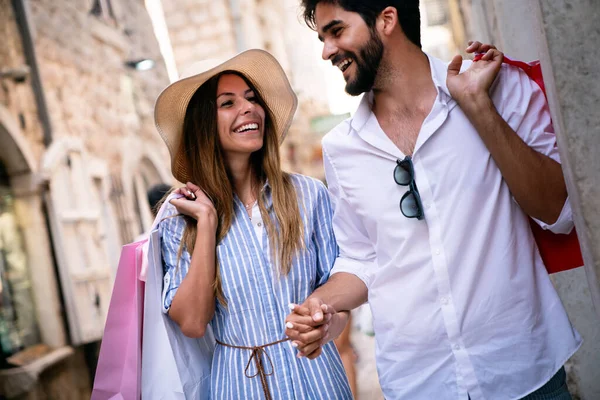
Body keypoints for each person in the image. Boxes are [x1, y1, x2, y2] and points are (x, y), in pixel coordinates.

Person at [285, 1, 581, 399]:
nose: (326, 50)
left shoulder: (499, 86)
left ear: (386, 20)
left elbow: (559, 213)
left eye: (336, 31)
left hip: (523, 373)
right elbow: (361, 258)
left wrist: (479, 108)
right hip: (419, 383)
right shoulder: (341, 149)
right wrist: (319, 303)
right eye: (323, 38)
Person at [153, 49, 352, 399]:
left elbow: (342, 303)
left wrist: (324, 326)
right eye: (227, 103)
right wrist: (208, 223)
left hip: (318, 381)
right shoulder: (180, 218)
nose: (248, 108)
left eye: (252, 98)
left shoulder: (309, 196)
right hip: (237, 386)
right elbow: (193, 323)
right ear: (204, 126)